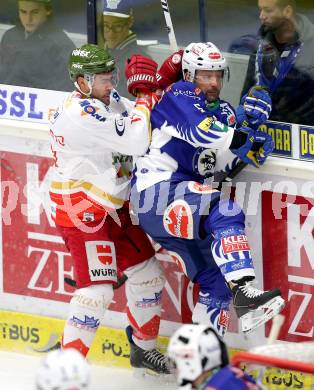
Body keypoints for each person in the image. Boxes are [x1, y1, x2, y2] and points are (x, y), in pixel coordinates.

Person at [130, 41, 285, 336]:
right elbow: (202, 130)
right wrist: (242, 139)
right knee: (224, 209)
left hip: (182, 203)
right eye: (205, 75)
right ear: (189, 75)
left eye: (218, 75)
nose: (214, 83)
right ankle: (245, 293)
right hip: (155, 193)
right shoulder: (179, 94)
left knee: (216, 283)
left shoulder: (224, 112)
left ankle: (204, 365)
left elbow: (219, 164)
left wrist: (250, 129)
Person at [48, 43, 170, 374]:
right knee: (98, 291)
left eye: (111, 75)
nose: (111, 84)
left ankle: (143, 350)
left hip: (113, 208)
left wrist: (159, 88)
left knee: (149, 276)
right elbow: (135, 139)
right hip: (84, 212)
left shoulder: (103, 99)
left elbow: (138, 118)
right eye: (102, 78)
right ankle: (65, 369)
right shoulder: (81, 113)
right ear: (81, 81)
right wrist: (146, 98)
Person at [241, 0, 314, 126]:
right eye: (260, 9)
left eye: (268, 10)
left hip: (304, 134)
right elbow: (247, 94)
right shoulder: (260, 47)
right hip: (264, 130)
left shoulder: (310, 45)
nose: (261, 16)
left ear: (287, 11)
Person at [0, 0, 75, 91]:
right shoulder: (10, 36)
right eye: (23, 12)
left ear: (48, 11)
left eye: (35, 12)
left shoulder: (61, 44)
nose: (28, 19)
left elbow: (66, 87)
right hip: (7, 100)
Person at [168, 324, 262, 389]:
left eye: (178, 363)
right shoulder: (228, 374)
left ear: (191, 363)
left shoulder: (215, 386)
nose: (177, 369)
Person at [103, 0, 151, 97]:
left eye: (117, 26)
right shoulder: (104, 51)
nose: (111, 33)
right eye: (106, 25)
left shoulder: (140, 63)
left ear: (130, 22)